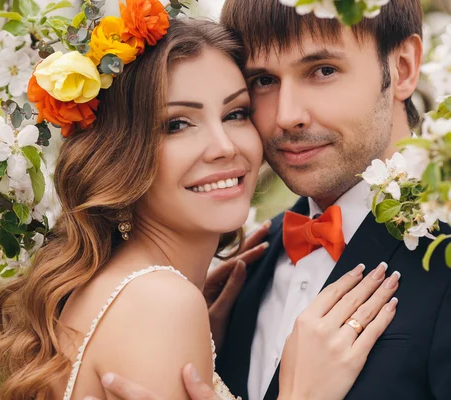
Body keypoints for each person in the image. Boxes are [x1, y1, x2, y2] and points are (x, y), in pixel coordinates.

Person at [0, 9, 399, 400]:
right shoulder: (160, 303)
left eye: (236, 113)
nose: (224, 146)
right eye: (177, 124)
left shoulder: (134, 294)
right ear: (120, 153)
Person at [96, 0, 451, 399]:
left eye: (323, 71)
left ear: (402, 67)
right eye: (263, 80)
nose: (287, 116)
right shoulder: (245, 274)